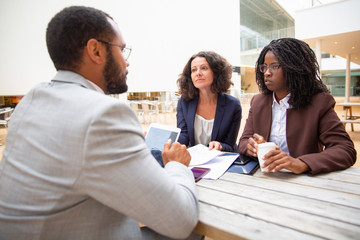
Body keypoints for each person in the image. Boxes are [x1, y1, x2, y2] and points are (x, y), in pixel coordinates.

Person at [0, 6, 201, 240]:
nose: (126, 64)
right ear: (96, 50)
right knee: (191, 233)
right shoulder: (103, 114)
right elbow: (180, 220)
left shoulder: (31, 100)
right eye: (122, 51)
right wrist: (176, 165)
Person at [238, 38, 356, 175]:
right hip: (264, 178)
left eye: (274, 66)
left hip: (302, 182)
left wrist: (302, 163)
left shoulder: (319, 102)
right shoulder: (258, 102)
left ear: (294, 67)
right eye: (264, 67)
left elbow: (345, 149)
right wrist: (252, 147)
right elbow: (243, 141)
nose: (266, 72)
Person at [176, 51, 242, 152]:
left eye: (204, 68)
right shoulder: (184, 102)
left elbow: (230, 145)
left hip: (222, 160)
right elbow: (183, 136)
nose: (198, 73)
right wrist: (168, 141)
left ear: (216, 72)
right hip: (196, 160)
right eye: (193, 70)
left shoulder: (233, 105)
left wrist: (220, 146)